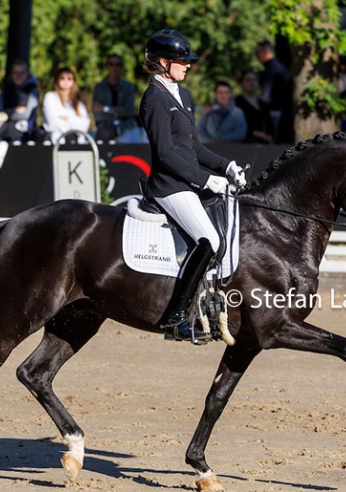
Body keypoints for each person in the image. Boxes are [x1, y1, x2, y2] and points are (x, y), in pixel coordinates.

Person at [139, 29, 246, 342]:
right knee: (209, 240)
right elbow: (165, 153)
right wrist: (205, 179)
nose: (187, 65)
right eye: (182, 60)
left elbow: (192, 147)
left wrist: (225, 166)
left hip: (188, 181)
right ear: (163, 62)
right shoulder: (154, 99)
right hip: (169, 185)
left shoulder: (181, 95)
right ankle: (174, 318)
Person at [92, 54, 137, 142]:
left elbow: (129, 111)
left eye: (117, 64)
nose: (114, 67)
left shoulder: (128, 87)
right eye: (111, 64)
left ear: (121, 67)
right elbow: (97, 114)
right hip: (104, 129)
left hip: (126, 128)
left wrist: (105, 108)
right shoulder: (99, 88)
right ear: (107, 66)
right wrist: (117, 113)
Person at [255, 40, 293, 143]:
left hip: (275, 114)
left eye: (258, 53)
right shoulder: (281, 68)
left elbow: (265, 97)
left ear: (264, 52)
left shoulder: (270, 70)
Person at [42, 67, 91, 144]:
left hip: (77, 142)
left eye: (69, 79)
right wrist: (75, 122)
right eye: (62, 78)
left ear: (73, 81)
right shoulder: (50, 97)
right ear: (57, 80)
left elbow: (85, 124)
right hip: (56, 141)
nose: (65, 82)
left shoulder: (78, 102)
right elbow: (52, 123)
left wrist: (68, 119)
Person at [0, 59, 39, 143]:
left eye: (22, 73)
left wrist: (7, 113)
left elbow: (25, 115)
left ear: (27, 74)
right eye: (15, 73)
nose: (18, 76)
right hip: (4, 134)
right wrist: (14, 110)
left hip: (24, 136)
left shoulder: (32, 91)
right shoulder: (5, 91)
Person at [235, 69, 274, 144]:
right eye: (248, 80)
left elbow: (269, 125)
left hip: (264, 142)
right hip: (245, 142)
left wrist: (269, 136)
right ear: (242, 83)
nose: (251, 83)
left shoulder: (263, 104)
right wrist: (256, 133)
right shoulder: (237, 102)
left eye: (254, 80)